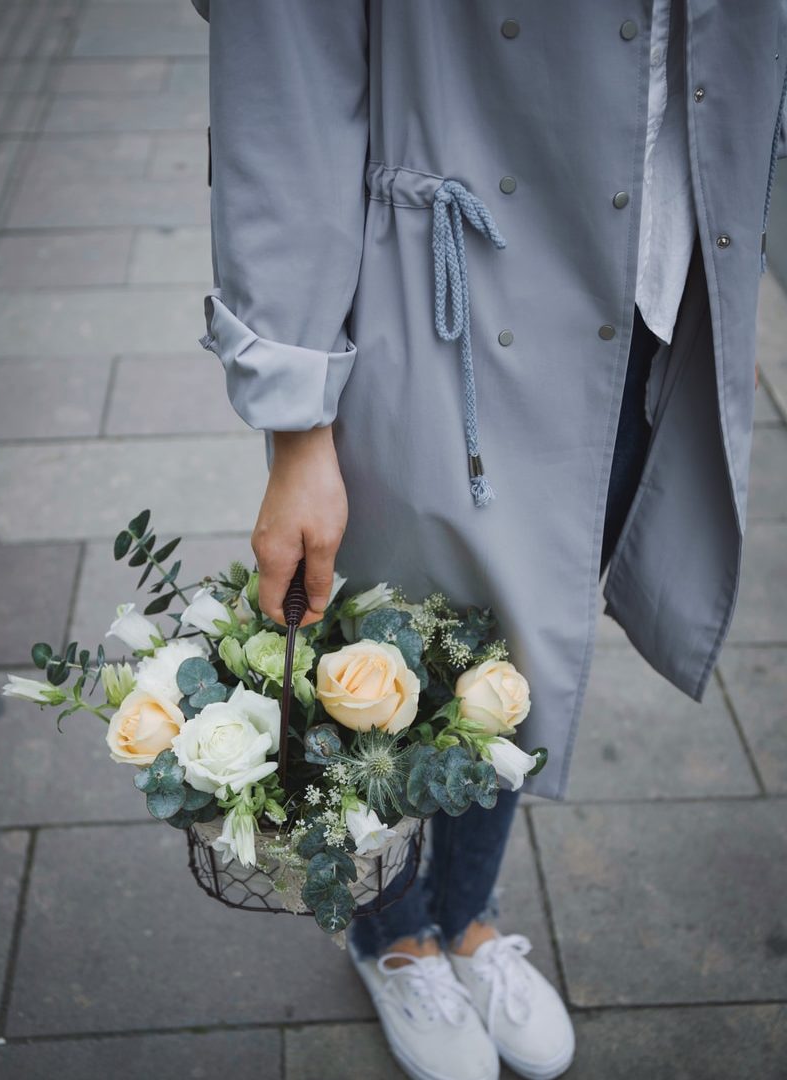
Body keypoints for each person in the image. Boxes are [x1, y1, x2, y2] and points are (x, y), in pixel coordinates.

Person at [190, 2, 781, 1077]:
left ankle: (464, 916)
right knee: (384, 668)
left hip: (645, 298)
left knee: (515, 655)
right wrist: (296, 423)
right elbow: (286, 66)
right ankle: (390, 933)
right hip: (436, 296)